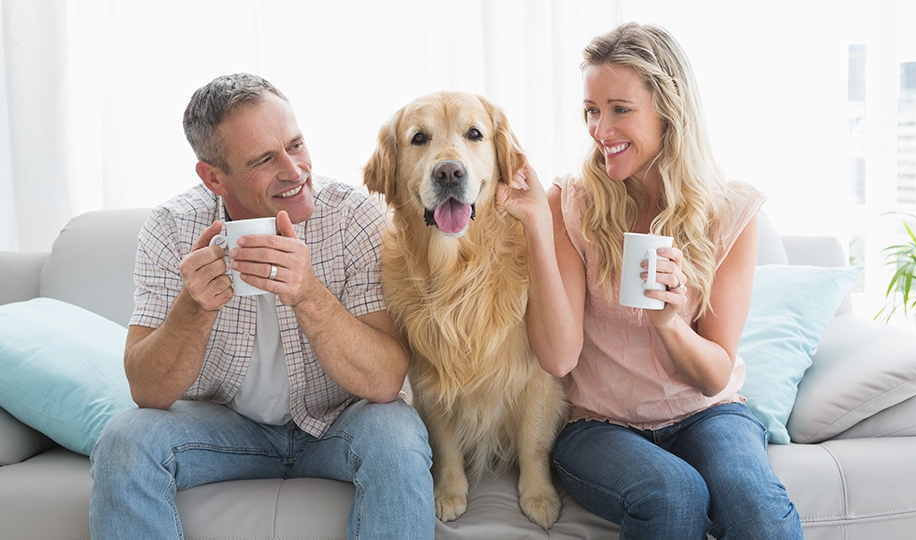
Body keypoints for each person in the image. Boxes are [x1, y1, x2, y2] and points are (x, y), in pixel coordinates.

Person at [89, 73, 434, 540]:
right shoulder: (172, 228)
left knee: (396, 433)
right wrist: (194, 310)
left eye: (296, 144)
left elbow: (385, 379)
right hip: (225, 431)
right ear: (214, 176)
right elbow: (147, 391)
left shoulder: (351, 214)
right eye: (265, 159)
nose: (295, 171)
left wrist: (308, 294)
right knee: (125, 440)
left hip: (337, 423)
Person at [497, 23, 803, 539]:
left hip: (707, 414)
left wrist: (669, 324)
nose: (600, 130)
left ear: (669, 108)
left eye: (620, 109)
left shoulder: (731, 212)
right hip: (597, 424)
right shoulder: (570, 203)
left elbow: (714, 376)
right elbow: (558, 358)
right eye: (592, 111)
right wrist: (535, 227)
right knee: (673, 493)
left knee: (756, 509)